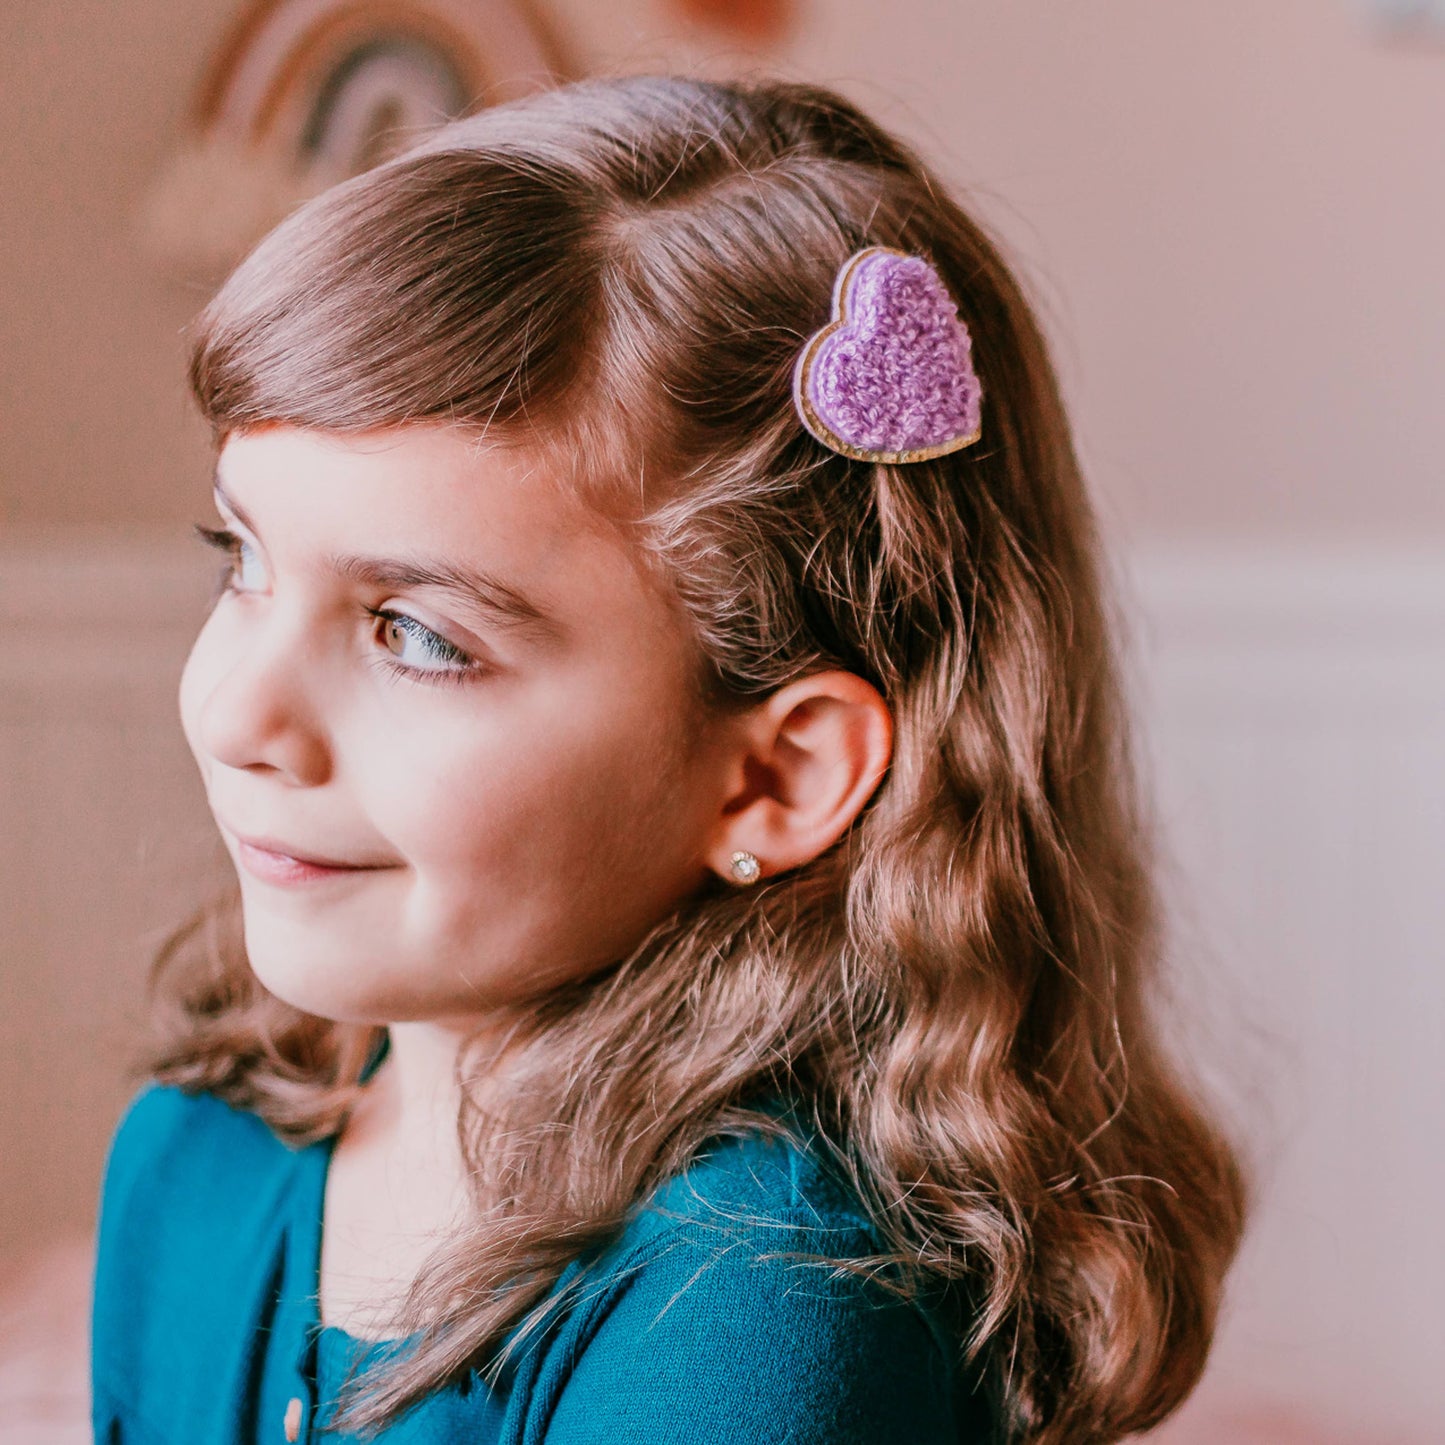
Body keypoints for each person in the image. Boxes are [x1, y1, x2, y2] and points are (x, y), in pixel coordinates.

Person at [90, 75, 1246, 1445]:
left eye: (414, 633)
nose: (237, 714)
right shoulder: (193, 1163)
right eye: (244, 561)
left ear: (773, 777)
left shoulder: (765, 1306)